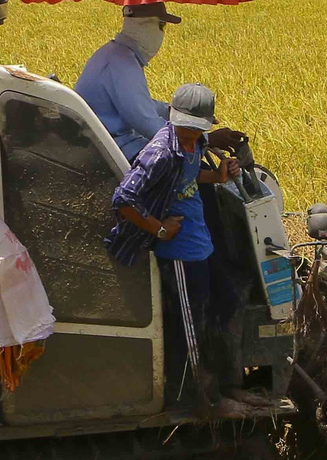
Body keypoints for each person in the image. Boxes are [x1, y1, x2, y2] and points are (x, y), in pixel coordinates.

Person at [108, 83, 253, 408]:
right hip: (179, 254)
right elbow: (123, 200)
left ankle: (222, 385)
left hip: (200, 244)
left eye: (197, 130)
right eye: (186, 130)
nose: (192, 136)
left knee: (224, 301)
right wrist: (158, 229)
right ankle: (196, 399)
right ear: (173, 120)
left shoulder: (195, 142)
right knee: (190, 325)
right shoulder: (160, 152)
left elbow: (187, 177)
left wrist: (217, 177)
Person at [75, 2, 181, 160]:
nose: (162, 34)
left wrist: (171, 111)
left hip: (104, 143)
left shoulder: (113, 53)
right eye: (161, 25)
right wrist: (201, 138)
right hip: (111, 152)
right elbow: (149, 125)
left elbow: (137, 104)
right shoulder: (123, 64)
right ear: (144, 25)